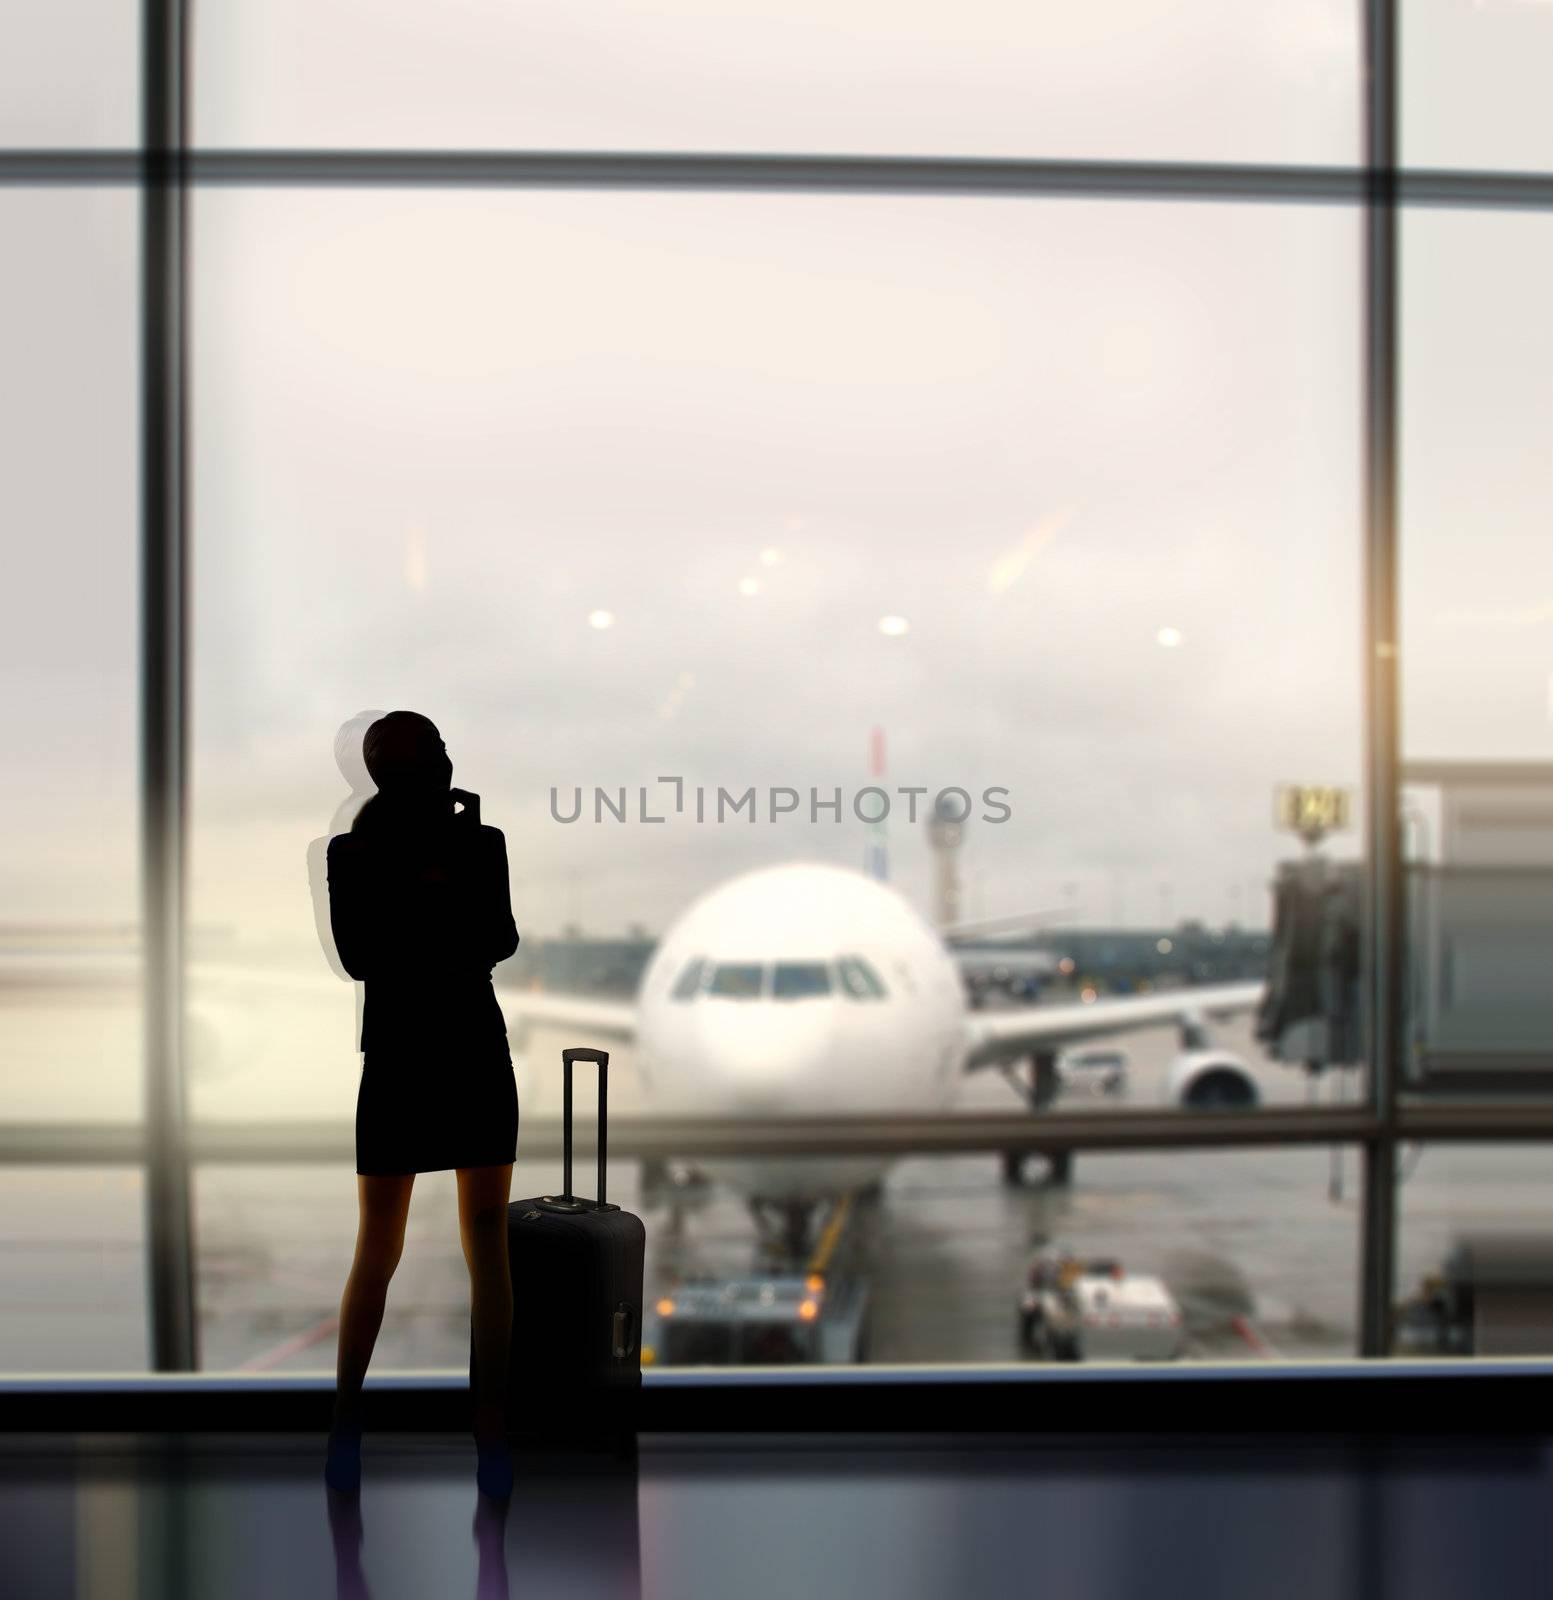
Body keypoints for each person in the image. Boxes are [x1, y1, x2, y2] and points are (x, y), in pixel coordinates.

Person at [321, 710, 521, 1498]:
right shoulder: (479, 844)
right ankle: (492, 1427)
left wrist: (417, 897)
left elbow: (366, 956)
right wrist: (448, 875)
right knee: (486, 1249)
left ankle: (346, 1420)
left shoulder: (353, 853)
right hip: (471, 1044)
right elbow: (496, 940)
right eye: (435, 750)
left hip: (400, 1053)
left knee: (379, 1244)